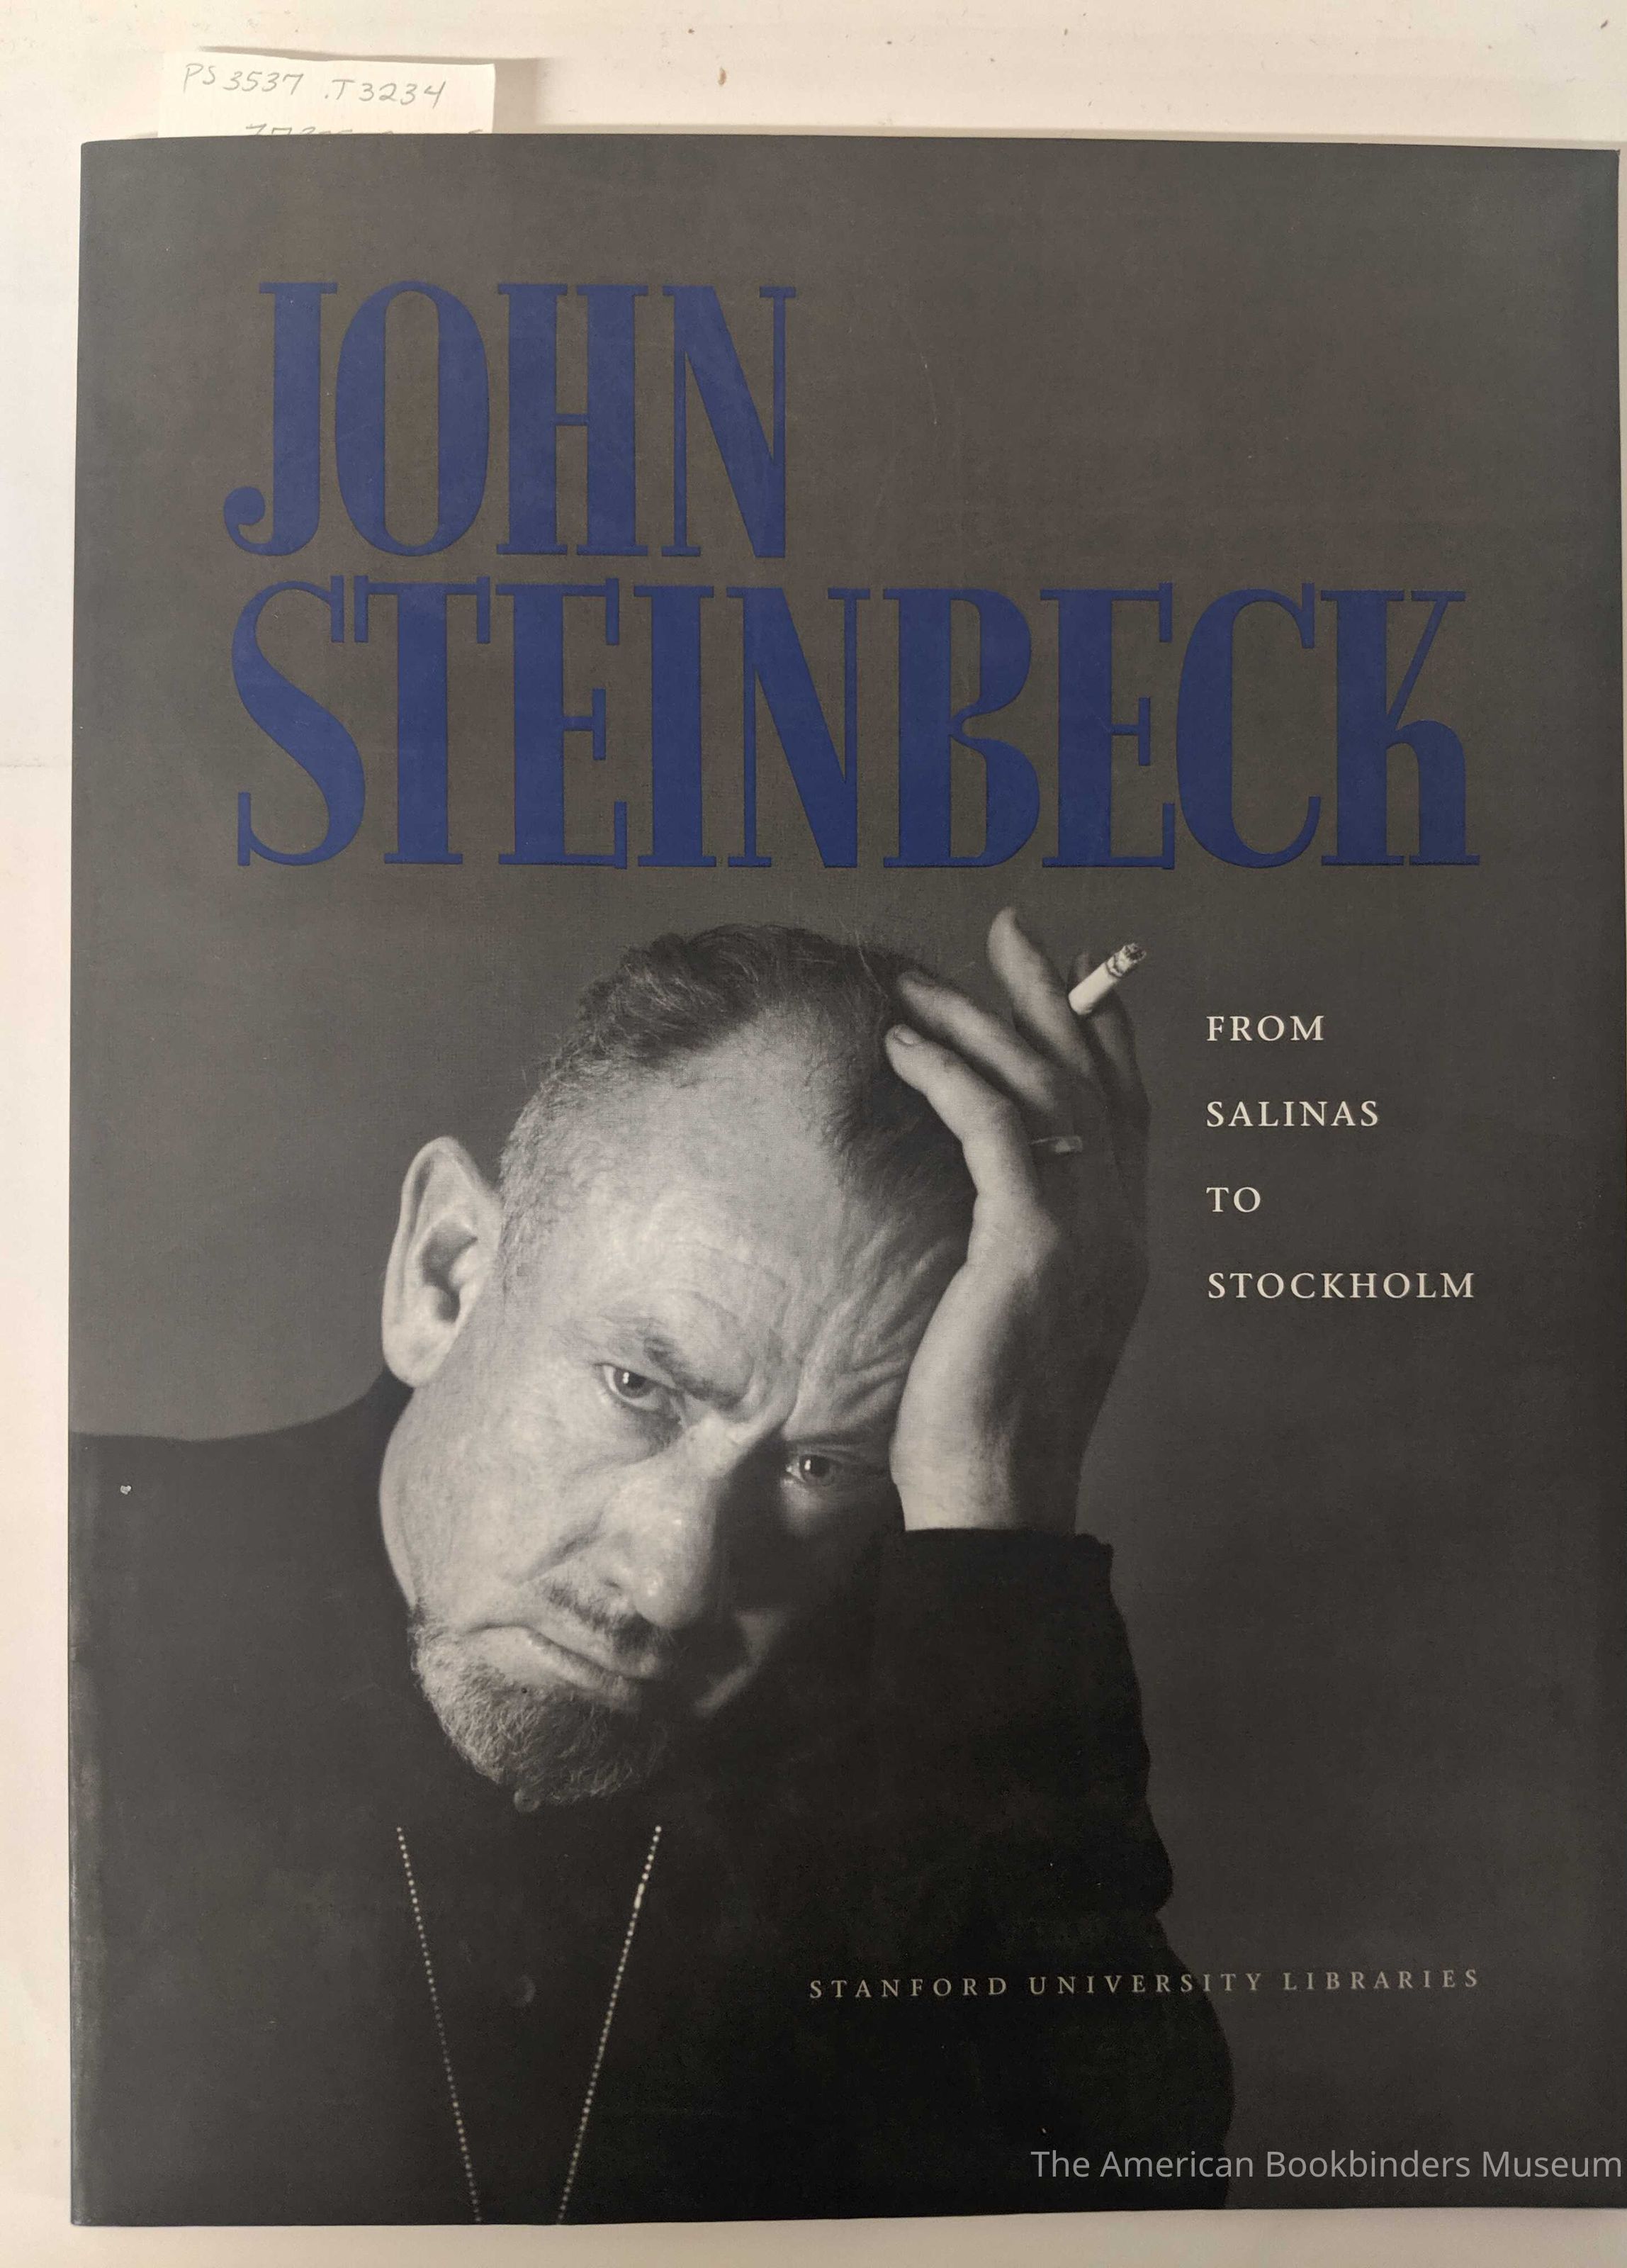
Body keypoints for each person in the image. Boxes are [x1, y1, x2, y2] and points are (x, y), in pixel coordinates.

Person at [70, 909, 1233, 2227]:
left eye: (821, 1466)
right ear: (445, 1278)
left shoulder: (935, 1745)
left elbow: (1132, 2206)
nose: (676, 1587)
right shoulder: (57, 1585)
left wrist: (998, 1518)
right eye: (638, 1387)